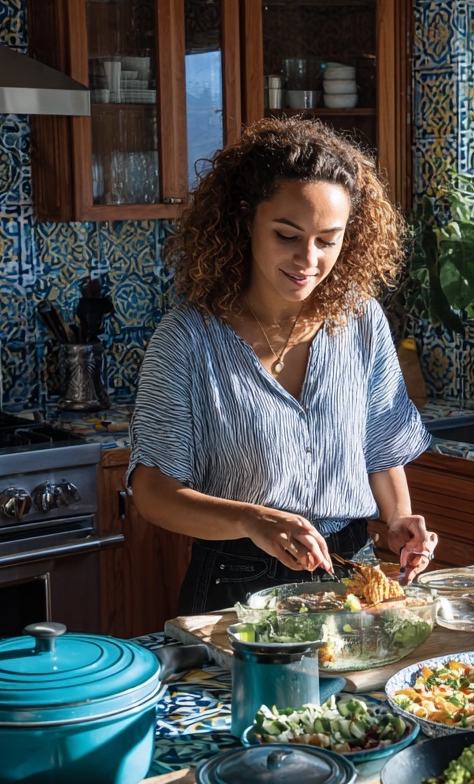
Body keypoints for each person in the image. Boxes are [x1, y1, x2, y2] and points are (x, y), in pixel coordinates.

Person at [128, 117, 438, 614]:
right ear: (245, 219)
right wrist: (253, 520)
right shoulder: (187, 340)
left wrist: (399, 519)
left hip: (351, 575)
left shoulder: (360, 320)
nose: (307, 259)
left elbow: (381, 446)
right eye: (287, 235)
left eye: (327, 240)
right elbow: (151, 491)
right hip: (235, 581)